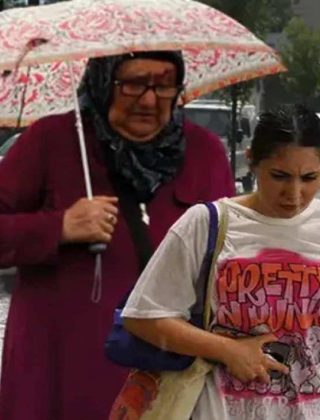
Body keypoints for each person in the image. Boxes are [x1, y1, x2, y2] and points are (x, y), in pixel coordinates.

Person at [0, 51, 235, 420]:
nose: (148, 99)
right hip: (59, 378)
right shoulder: (51, 141)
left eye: (163, 85)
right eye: (134, 84)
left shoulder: (205, 152)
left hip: (170, 380)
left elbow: (233, 256)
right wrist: (58, 226)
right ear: (103, 83)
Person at [121, 104, 320, 420]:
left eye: (309, 178)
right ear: (251, 161)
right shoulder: (206, 224)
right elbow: (142, 317)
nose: (294, 194)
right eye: (279, 176)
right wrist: (228, 350)